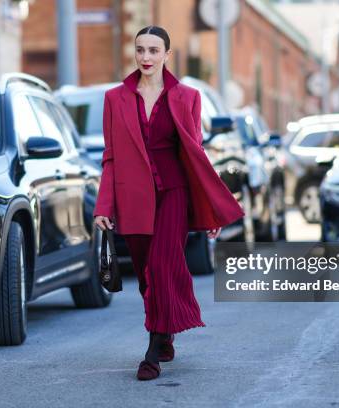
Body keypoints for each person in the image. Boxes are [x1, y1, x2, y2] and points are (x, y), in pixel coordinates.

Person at [92, 25, 244, 381]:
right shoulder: (115, 98)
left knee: (162, 267)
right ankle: (166, 333)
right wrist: (103, 207)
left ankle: (151, 354)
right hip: (134, 199)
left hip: (174, 193)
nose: (146, 57)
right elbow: (111, 157)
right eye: (140, 50)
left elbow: (195, 153)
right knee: (147, 278)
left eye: (153, 51)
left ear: (166, 55)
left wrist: (209, 205)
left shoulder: (187, 97)